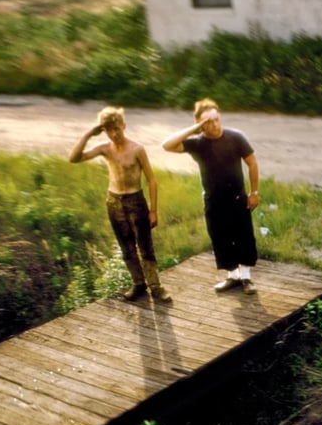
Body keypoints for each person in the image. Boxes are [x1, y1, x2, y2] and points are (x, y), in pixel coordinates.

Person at [68, 106, 172, 303]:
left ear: (124, 126)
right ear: (104, 131)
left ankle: (156, 286)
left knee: (145, 246)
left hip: (135, 200)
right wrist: (89, 134)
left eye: (117, 128)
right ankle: (138, 284)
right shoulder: (104, 149)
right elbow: (73, 158)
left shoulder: (137, 149)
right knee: (127, 247)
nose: (114, 134)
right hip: (114, 201)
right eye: (109, 130)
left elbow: (152, 180)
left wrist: (153, 210)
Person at [162, 98, 260, 294]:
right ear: (200, 123)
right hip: (213, 200)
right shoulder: (197, 143)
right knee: (220, 237)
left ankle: (247, 278)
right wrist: (195, 128)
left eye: (216, 119)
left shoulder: (236, 137)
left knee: (243, 236)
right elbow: (167, 145)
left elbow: (252, 164)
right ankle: (232, 277)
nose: (214, 124)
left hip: (238, 198)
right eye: (208, 121)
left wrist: (254, 192)